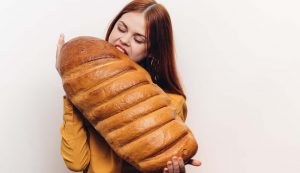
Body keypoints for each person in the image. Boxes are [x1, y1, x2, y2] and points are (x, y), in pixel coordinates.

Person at [56, 0, 201, 172]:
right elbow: (76, 163)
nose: (124, 40)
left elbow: (159, 159)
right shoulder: (90, 97)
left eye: (138, 39)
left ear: (152, 50)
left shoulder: (171, 102)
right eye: (121, 28)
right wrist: (71, 82)